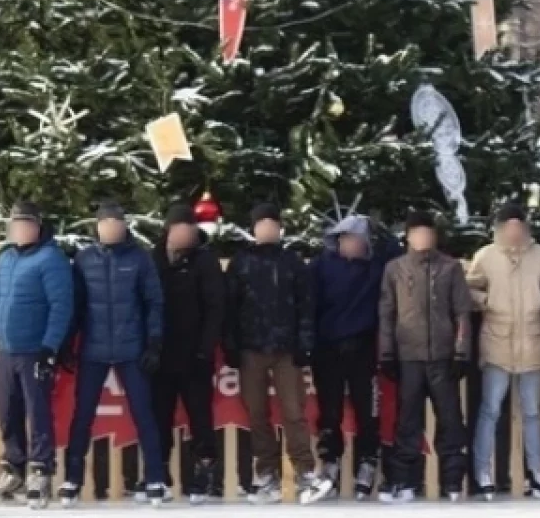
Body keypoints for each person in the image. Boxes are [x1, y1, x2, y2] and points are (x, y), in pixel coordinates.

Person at [59, 200, 166, 506]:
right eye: (105, 224)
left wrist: (154, 343)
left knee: (144, 413)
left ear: (123, 226)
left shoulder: (140, 258)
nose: (111, 229)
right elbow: (76, 305)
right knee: (83, 415)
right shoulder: (84, 259)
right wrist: (67, 342)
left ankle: (155, 477)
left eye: (116, 224)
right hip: (93, 349)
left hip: (131, 349)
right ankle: (72, 478)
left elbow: (154, 303)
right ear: (98, 227)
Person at [225, 203, 332, 505]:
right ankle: (266, 474)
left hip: (287, 349)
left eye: (273, 224)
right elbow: (229, 307)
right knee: (257, 413)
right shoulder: (241, 262)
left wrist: (305, 343)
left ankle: (306, 472)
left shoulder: (292, 262)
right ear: (254, 229)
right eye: (262, 224)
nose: (268, 229)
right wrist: (231, 344)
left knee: (294, 412)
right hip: (251, 348)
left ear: (280, 228)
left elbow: (306, 305)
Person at [0, 200, 74, 508]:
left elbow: (61, 306)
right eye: (14, 225)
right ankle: (14, 466)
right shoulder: (6, 259)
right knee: (7, 411)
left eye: (24, 224)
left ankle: (41, 469)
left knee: (37, 411)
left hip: (34, 350)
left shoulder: (51, 259)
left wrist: (50, 346)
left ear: (37, 226)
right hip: (5, 350)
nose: (19, 230)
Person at [467, 202, 540, 501]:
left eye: (519, 227)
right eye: (509, 227)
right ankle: (482, 471)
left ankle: (537, 472)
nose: (514, 232)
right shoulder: (486, 256)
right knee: (490, 409)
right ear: (499, 229)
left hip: (532, 340)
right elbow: (468, 287)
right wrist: (486, 301)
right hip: (497, 340)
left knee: (532, 411)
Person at [378, 210, 471, 503]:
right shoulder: (395, 268)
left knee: (450, 419)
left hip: (443, 356)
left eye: (428, 233)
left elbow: (462, 312)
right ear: (408, 237)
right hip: (409, 357)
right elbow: (387, 313)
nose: (423, 238)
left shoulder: (450, 267)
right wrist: (386, 352)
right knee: (407, 421)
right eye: (417, 233)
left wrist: (461, 351)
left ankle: (452, 480)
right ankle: (406, 480)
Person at [308, 214, 398, 499]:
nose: (351, 244)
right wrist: (309, 342)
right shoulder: (321, 266)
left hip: (362, 347)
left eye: (357, 239)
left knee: (366, 410)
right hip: (328, 348)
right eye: (345, 238)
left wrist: (379, 228)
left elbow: (395, 251)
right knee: (329, 410)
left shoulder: (375, 266)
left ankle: (367, 461)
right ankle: (330, 462)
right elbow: (309, 304)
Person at [150, 204, 226, 504]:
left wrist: (205, 348)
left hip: (195, 354)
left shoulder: (204, 261)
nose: (186, 235)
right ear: (169, 230)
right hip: (160, 354)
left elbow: (216, 307)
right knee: (159, 416)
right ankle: (159, 473)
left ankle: (204, 471)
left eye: (190, 230)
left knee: (200, 416)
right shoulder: (153, 259)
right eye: (181, 229)